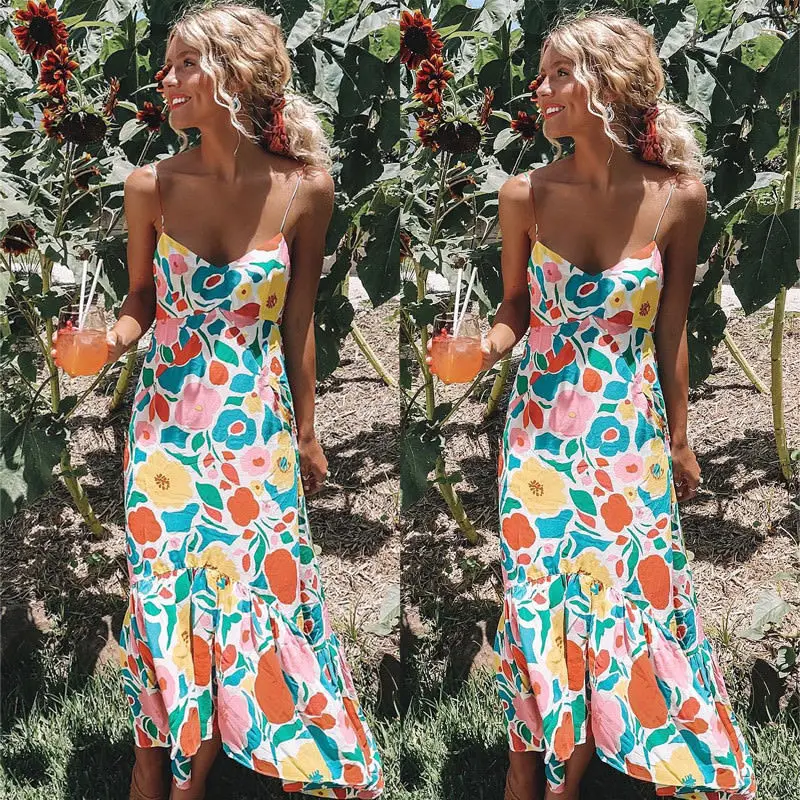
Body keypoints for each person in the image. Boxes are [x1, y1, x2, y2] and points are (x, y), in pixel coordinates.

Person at [53, 4, 384, 799]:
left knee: (251, 591)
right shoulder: (151, 186)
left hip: (254, 431)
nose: (162, 78)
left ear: (234, 74)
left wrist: (309, 430)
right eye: (165, 64)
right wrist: (106, 344)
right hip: (165, 429)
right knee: (164, 596)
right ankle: (155, 762)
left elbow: (298, 321)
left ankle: (208, 764)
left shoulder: (307, 190)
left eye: (183, 64)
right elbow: (141, 302)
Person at [430, 9, 757, 800]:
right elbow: (515, 310)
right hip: (538, 435)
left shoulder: (680, 199)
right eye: (539, 76)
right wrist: (481, 352)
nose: (537, 91)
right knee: (537, 599)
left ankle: (610, 754)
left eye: (557, 75)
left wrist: (681, 438)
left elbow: (671, 330)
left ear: (608, 85)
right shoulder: (524, 195)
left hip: (626, 434)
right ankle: (532, 766)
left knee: (625, 597)